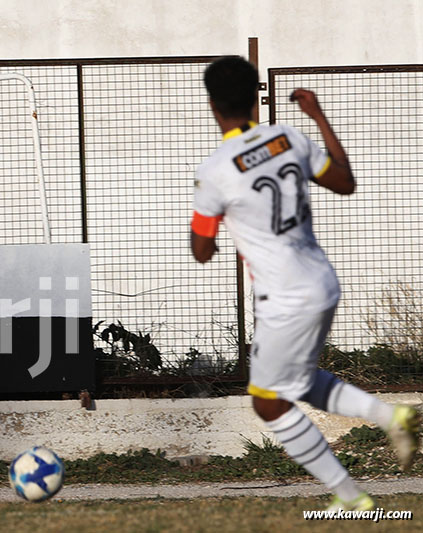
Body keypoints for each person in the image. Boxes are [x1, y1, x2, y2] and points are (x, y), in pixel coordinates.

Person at [190, 56, 420, 512]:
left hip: (285, 295)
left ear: (212, 104)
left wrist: (217, 235)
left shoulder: (216, 169)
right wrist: (316, 115)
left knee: (267, 402)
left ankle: (354, 497)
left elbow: (201, 248)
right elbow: (344, 181)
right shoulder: (288, 137)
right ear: (257, 95)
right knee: (291, 382)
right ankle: (388, 418)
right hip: (322, 281)